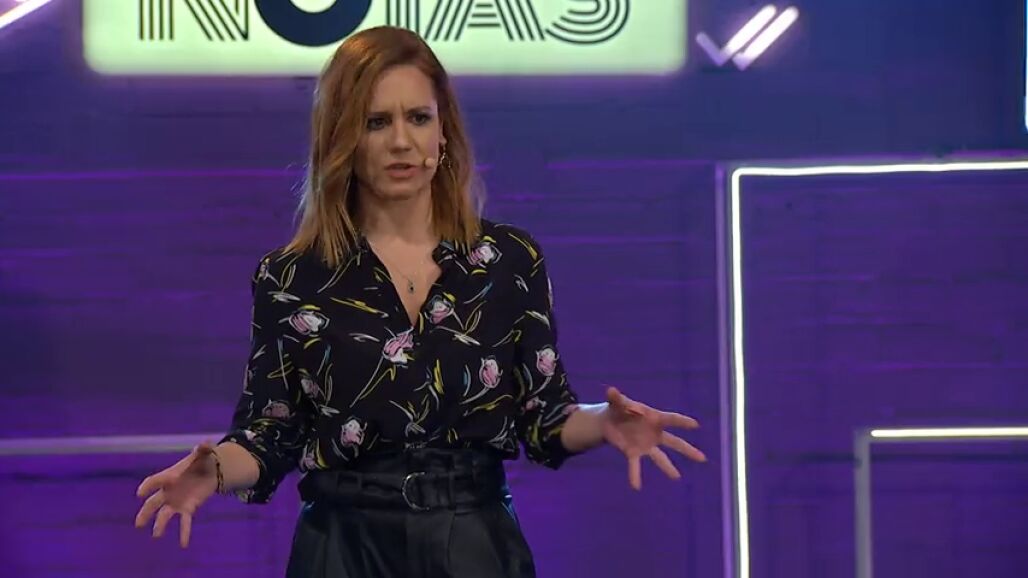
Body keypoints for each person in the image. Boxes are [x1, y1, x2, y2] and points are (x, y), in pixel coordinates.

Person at [134, 26, 706, 578]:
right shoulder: (291, 277)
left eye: (418, 117)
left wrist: (604, 421)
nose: (401, 141)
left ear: (444, 131)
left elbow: (543, 416)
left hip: (474, 544)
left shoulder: (508, 260)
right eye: (376, 122)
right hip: (343, 547)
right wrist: (214, 470)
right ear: (342, 138)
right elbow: (271, 432)